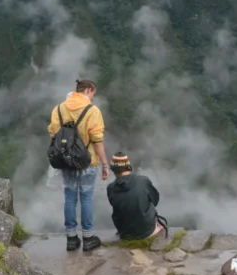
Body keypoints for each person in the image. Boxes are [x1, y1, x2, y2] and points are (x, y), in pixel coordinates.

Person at [48, 79, 109, 251]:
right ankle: (88, 238)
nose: (93, 98)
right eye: (93, 94)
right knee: (86, 198)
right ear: (89, 90)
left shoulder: (58, 109)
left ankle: (71, 239)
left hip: (66, 161)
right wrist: (105, 164)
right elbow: (97, 141)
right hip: (87, 161)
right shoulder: (92, 110)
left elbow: (53, 134)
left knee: (69, 198)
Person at [106, 151, 166, 242]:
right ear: (128, 166)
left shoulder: (110, 188)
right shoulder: (143, 180)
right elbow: (155, 200)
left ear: (113, 170)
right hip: (147, 232)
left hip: (125, 233)